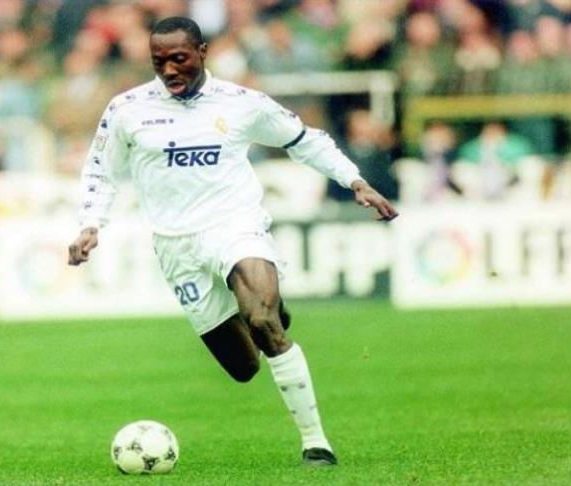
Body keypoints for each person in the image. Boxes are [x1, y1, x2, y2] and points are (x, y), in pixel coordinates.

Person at [67, 17, 398, 466]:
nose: (169, 70)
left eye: (179, 58)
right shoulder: (127, 109)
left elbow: (304, 140)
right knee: (243, 367)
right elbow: (100, 172)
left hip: (234, 226)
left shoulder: (242, 102)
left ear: (203, 52)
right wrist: (90, 224)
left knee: (264, 322)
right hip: (176, 246)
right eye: (159, 62)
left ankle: (315, 442)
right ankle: (263, 306)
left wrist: (354, 180)